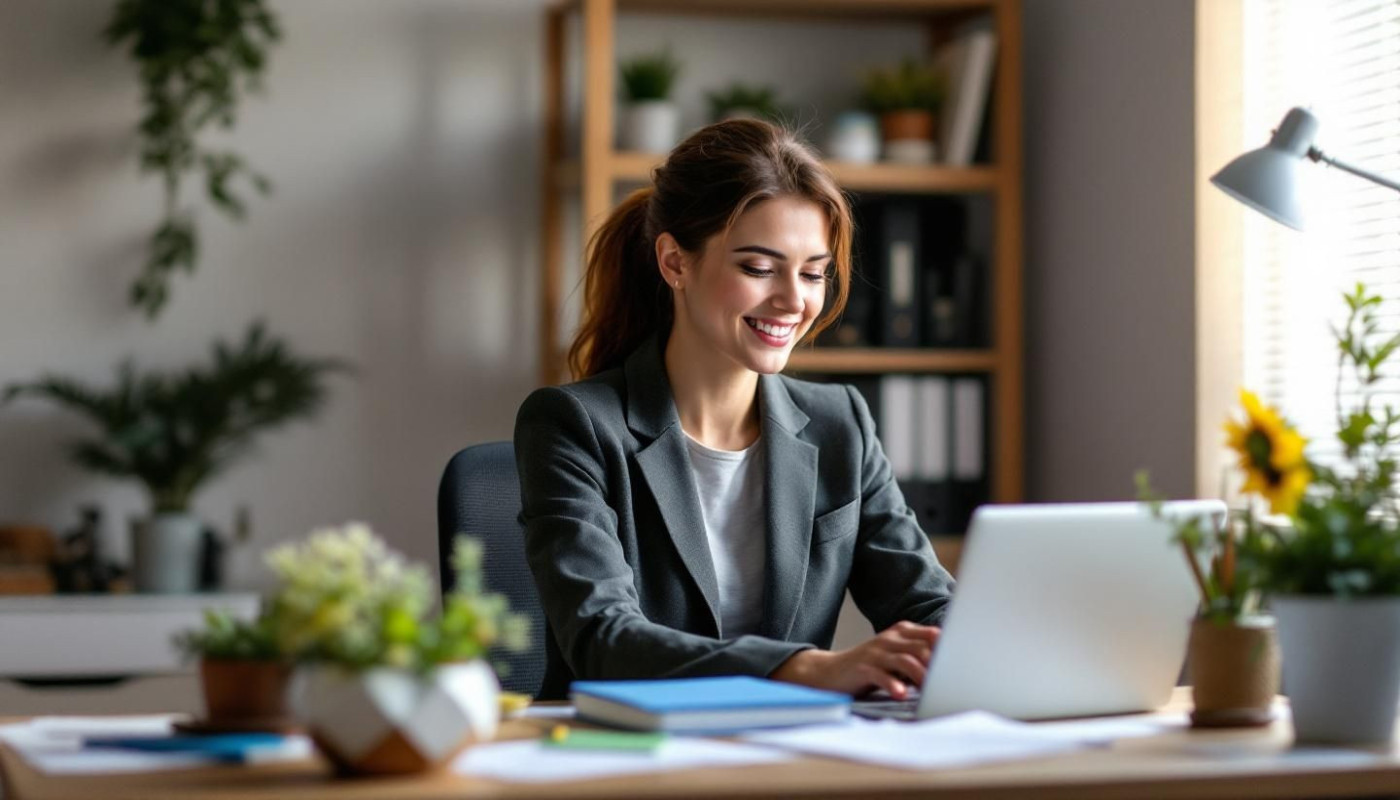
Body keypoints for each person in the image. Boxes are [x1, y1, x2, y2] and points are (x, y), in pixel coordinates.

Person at [515, 119, 955, 701]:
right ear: (674, 262)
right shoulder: (573, 426)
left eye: (813, 273)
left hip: (790, 760)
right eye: (758, 268)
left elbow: (925, 603)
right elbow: (604, 639)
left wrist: (973, 647)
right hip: (631, 759)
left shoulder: (839, 423)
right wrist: (806, 668)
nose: (794, 301)